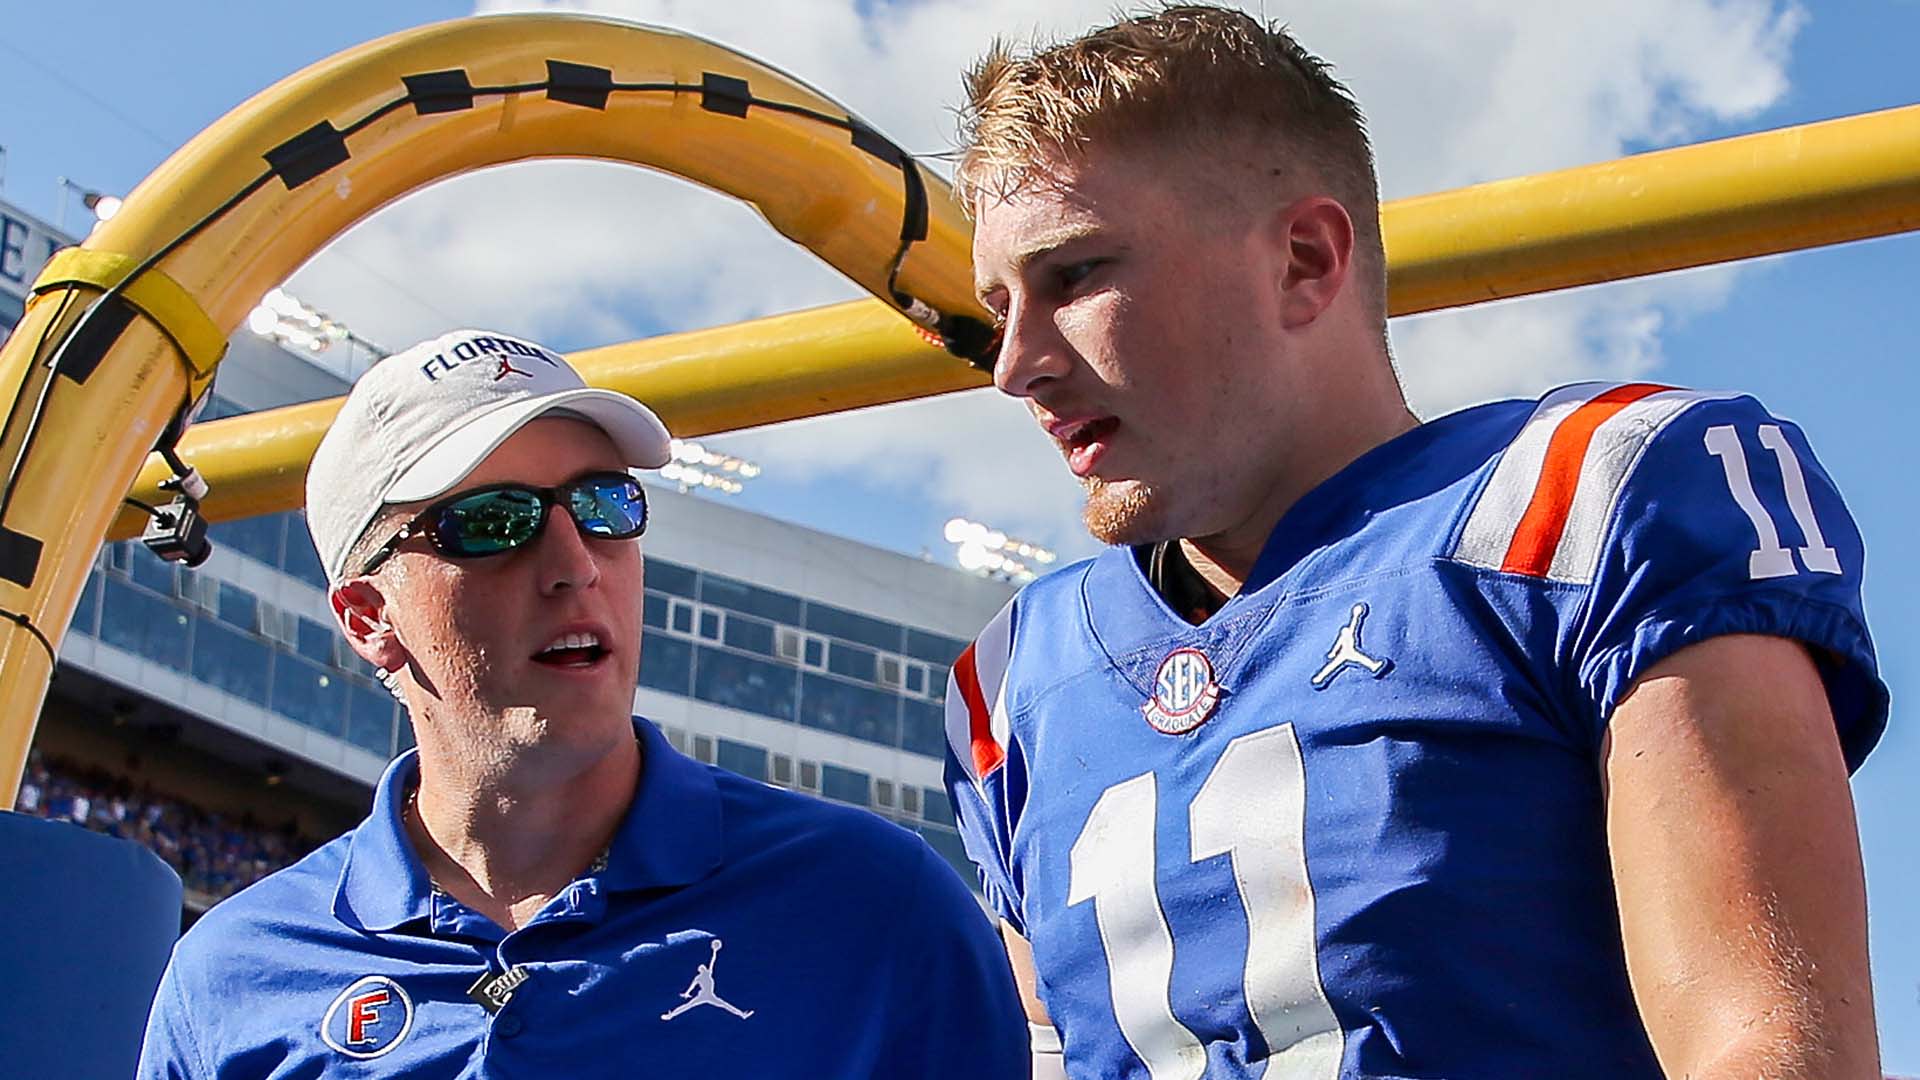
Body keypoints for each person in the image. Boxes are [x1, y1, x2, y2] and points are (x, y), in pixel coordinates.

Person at [944, 7, 1887, 1079]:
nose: (1014, 365)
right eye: (997, 304)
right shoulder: (1018, 681)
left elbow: (1769, 1049)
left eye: (1074, 275)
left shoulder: (1585, 502)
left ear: (1304, 258)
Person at [137, 329, 1027, 1077]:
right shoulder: (233, 976)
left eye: (604, 505)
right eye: (492, 520)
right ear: (370, 617)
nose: (575, 562)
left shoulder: (872, 904)